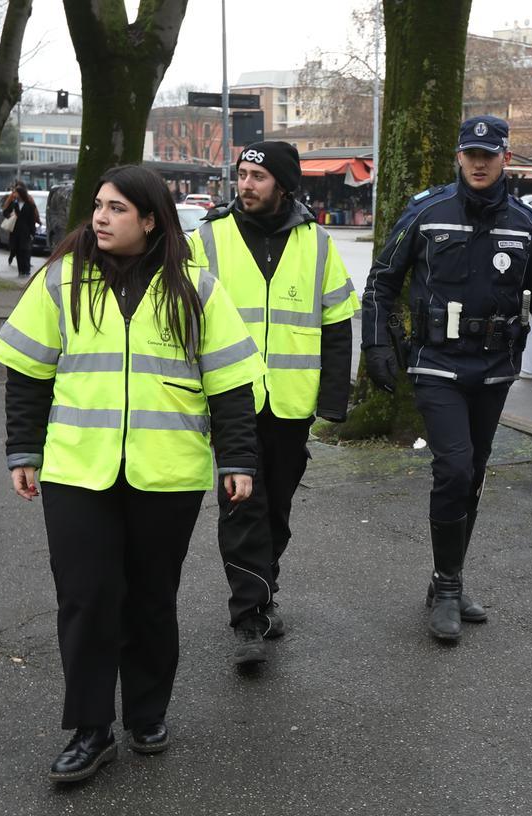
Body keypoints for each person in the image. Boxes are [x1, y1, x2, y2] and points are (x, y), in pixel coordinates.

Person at [0, 165, 265, 784]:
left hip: (165, 475)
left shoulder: (196, 288)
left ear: (149, 219)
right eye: (97, 206)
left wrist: (239, 459)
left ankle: (146, 714)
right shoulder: (63, 280)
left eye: (116, 208)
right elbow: (28, 373)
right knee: (86, 600)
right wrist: (23, 451)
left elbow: (229, 384)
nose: (101, 218)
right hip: (77, 471)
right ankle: (90, 730)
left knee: (149, 600)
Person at [362, 116, 532, 643]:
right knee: (454, 469)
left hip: (495, 366)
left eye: (490, 155)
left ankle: (446, 578)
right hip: (436, 362)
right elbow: (382, 281)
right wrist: (374, 346)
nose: (479, 163)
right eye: (470, 154)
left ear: (505, 158)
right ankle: (449, 586)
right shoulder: (427, 211)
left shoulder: (525, 224)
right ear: (459, 156)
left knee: (474, 473)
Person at [189, 141, 358, 666]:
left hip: (291, 402)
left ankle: (262, 589)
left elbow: (335, 326)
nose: (245, 185)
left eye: (257, 177)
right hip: (229, 399)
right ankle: (249, 617)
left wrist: (333, 398)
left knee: (277, 507)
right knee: (242, 503)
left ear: (283, 184)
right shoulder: (209, 237)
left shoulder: (318, 243)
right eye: (241, 175)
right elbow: (184, 318)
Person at [6, 182, 42, 277]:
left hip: (25, 232)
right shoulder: (14, 204)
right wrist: (10, 215)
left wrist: (32, 232)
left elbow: (31, 219)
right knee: (17, 251)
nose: (14, 194)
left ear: (21, 193)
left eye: (16, 192)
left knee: (25, 250)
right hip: (15, 231)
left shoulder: (29, 205)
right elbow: (5, 212)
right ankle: (21, 270)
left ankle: (26, 270)